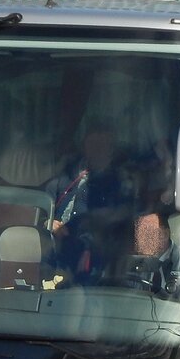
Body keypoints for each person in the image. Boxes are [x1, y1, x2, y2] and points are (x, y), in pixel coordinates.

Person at [43, 117, 169, 283]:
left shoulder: (126, 180)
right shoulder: (64, 178)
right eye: (93, 144)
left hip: (109, 255)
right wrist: (49, 223)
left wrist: (99, 222)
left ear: (112, 148)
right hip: (61, 251)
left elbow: (138, 213)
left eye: (103, 145)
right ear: (84, 145)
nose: (98, 150)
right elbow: (43, 211)